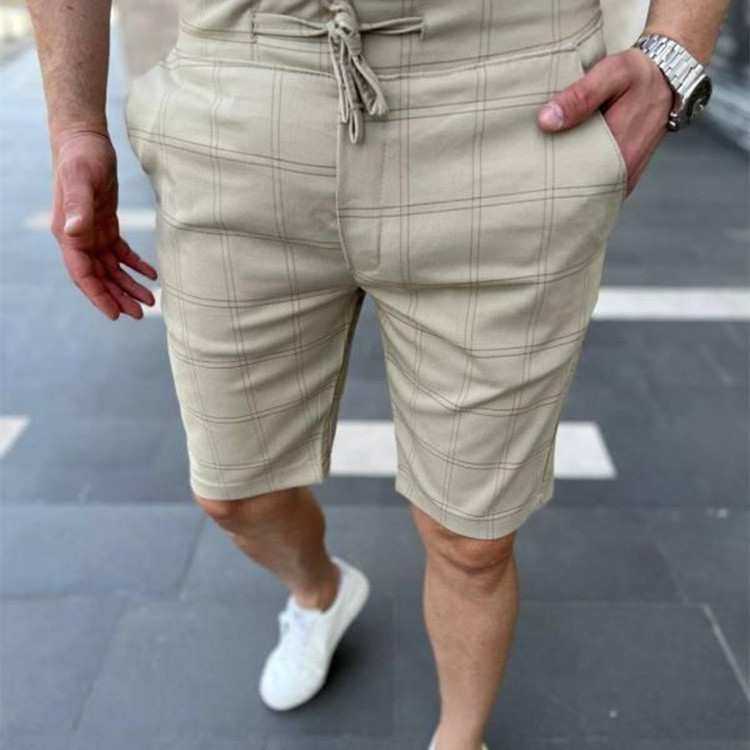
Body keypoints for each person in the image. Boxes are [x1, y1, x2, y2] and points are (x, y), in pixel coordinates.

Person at [28, 0, 727, 747]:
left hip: (508, 92)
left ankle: (461, 737)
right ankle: (319, 592)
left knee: (473, 535)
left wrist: (674, 53)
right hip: (242, 89)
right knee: (234, 490)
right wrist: (75, 125)